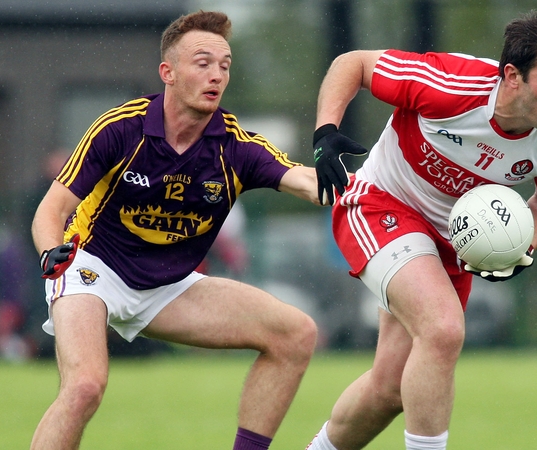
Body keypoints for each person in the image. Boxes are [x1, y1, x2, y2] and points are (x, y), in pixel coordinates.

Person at [30, 11, 320, 450]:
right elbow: (50, 210)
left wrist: (350, 182)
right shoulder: (121, 128)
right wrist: (51, 253)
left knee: (296, 334)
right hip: (92, 268)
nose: (216, 75)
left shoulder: (234, 146)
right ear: (168, 72)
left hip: (167, 285)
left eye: (224, 65)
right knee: (85, 386)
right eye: (202, 62)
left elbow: (303, 180)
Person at [307, 9, 537, 450]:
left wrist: (525, 245)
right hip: (381, 205)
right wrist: (326, 131)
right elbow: (355, 64)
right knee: (442, 330)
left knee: (390, 389)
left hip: (452, 247)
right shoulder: (449, 84)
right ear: (512, 75)